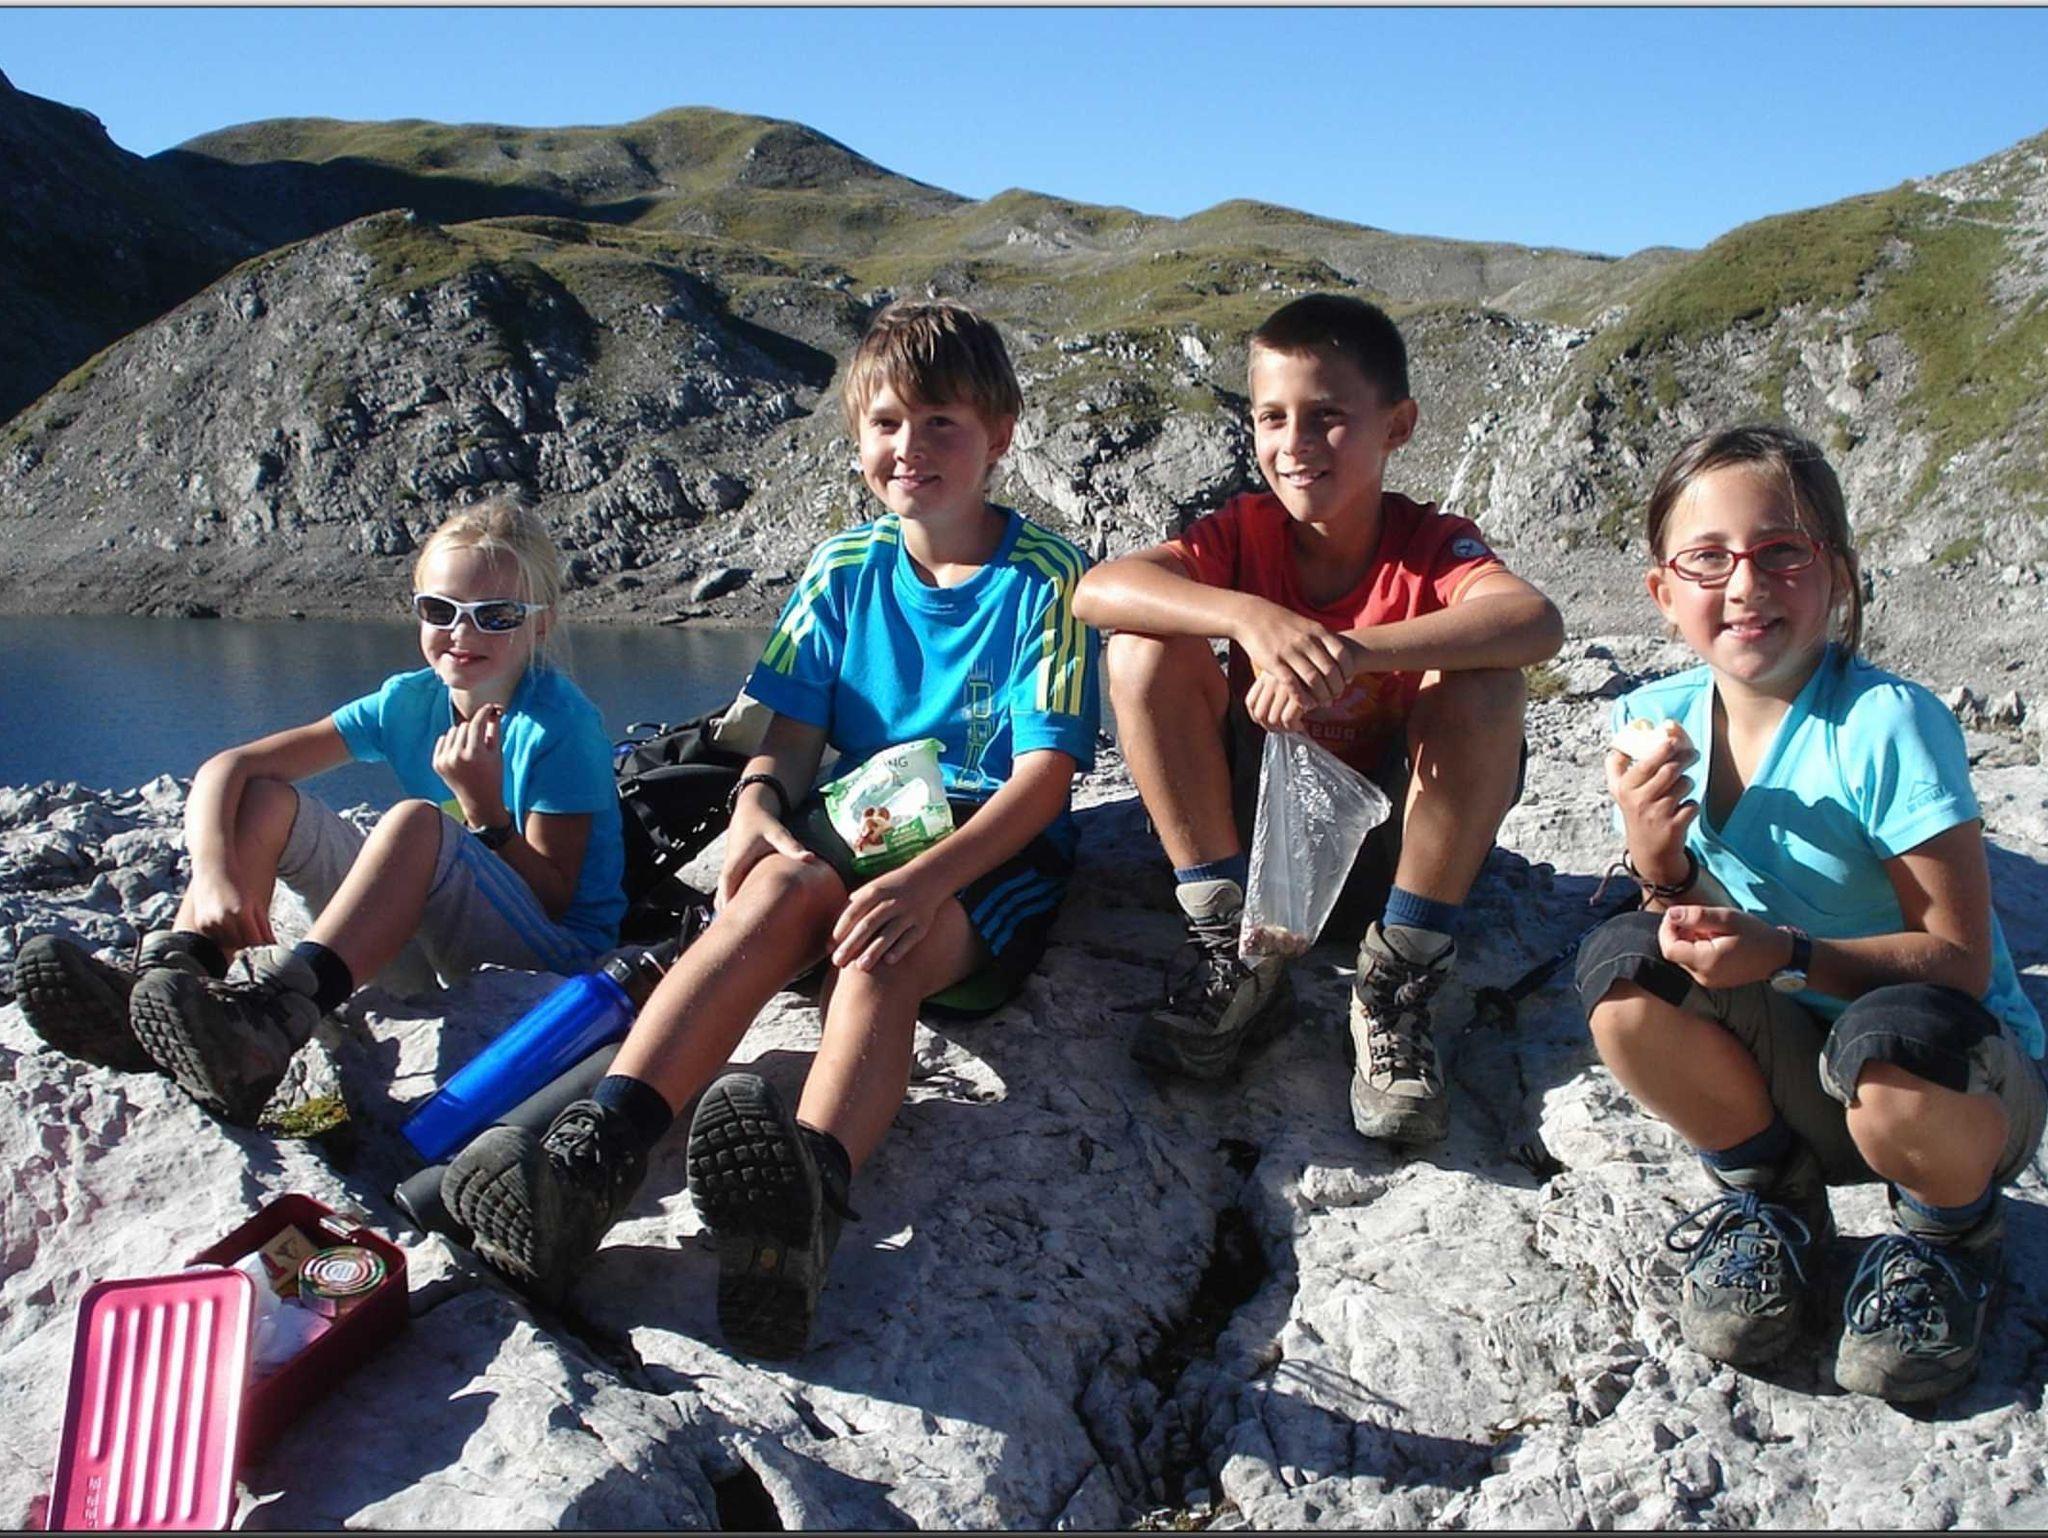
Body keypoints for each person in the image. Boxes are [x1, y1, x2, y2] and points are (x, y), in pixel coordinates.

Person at [442, 299, 1100, 1357]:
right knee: (775, 889)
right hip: (860, 824)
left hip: (979, 852)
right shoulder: (842, 569)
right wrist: (755, 805)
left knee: (880, 954)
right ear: (857, 439)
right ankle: (594, 1159)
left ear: (1000, 436)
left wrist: (924, 883)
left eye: (941, 423)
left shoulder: (1046, 580)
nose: (910, 447)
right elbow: (787, 745)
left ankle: (802, 1212)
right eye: (885, 423)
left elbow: (1044, 783)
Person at [1575, 424, 2046, 1404]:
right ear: (1662, 592)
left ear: (1835, 575)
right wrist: (1659, 864)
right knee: (1622, 976)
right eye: (1707, 558)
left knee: (1888, 1038)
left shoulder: (1887, 724)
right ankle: (1772, 1198)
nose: (1744, 584)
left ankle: (1948, 1233)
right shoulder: (1653, 720)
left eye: (1780, 551)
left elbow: (1957, 961)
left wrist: (1785, 952)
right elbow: (1679, 919)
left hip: (1952, 1081)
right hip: (1796, 1064)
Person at [1071, 292, 1562, 1146]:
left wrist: (1348, 654)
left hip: (1390, 855)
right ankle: (1235, 954)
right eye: (1273, 417)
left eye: (1327, 417)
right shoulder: (1243, 533)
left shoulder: (1429, 545)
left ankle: (1398, 977)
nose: (1294, 445)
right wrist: (1250, 620)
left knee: (1486, 684)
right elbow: (1098, 591)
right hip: (1258, 856)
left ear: (1397, 426)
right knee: (1142, 648)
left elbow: (1535, 622)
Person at [15, 497, 626, 1125]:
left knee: (416, 823)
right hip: (429, 939)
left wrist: (484, 810)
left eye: (495, 616)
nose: (463, 635)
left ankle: (272, 1022)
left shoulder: (559, 725)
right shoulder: (408, 702)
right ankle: (173, 983)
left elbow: (554, 898)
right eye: (440, 611)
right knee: (263, 798)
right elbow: (231, 767)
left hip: (548, 960)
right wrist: (217, 873)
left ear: (540, 625)